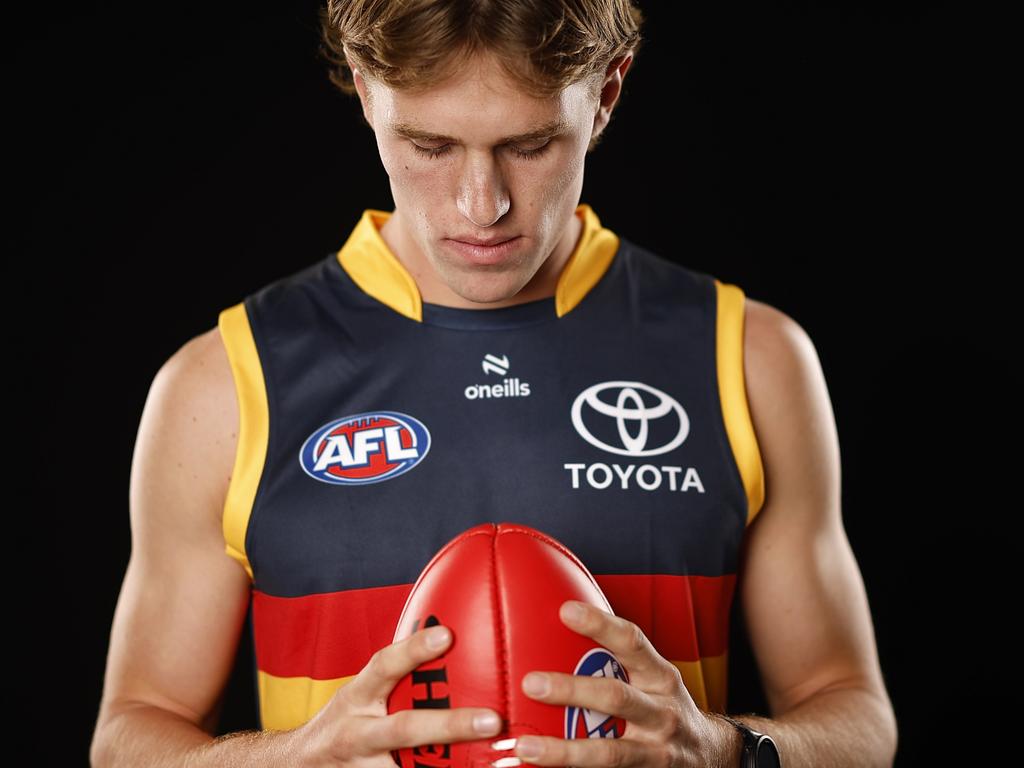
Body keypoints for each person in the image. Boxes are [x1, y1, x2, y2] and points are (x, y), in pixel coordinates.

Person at [89, 2, 898, 767]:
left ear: (607, 92)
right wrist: (293, 759)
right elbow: (127, 734)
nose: (483, 205)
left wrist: (723, 751)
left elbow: (857, 718)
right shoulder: (225, 382)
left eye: (530, 144)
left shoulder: (748, 357)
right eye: (432, 146)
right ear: (368, 95)